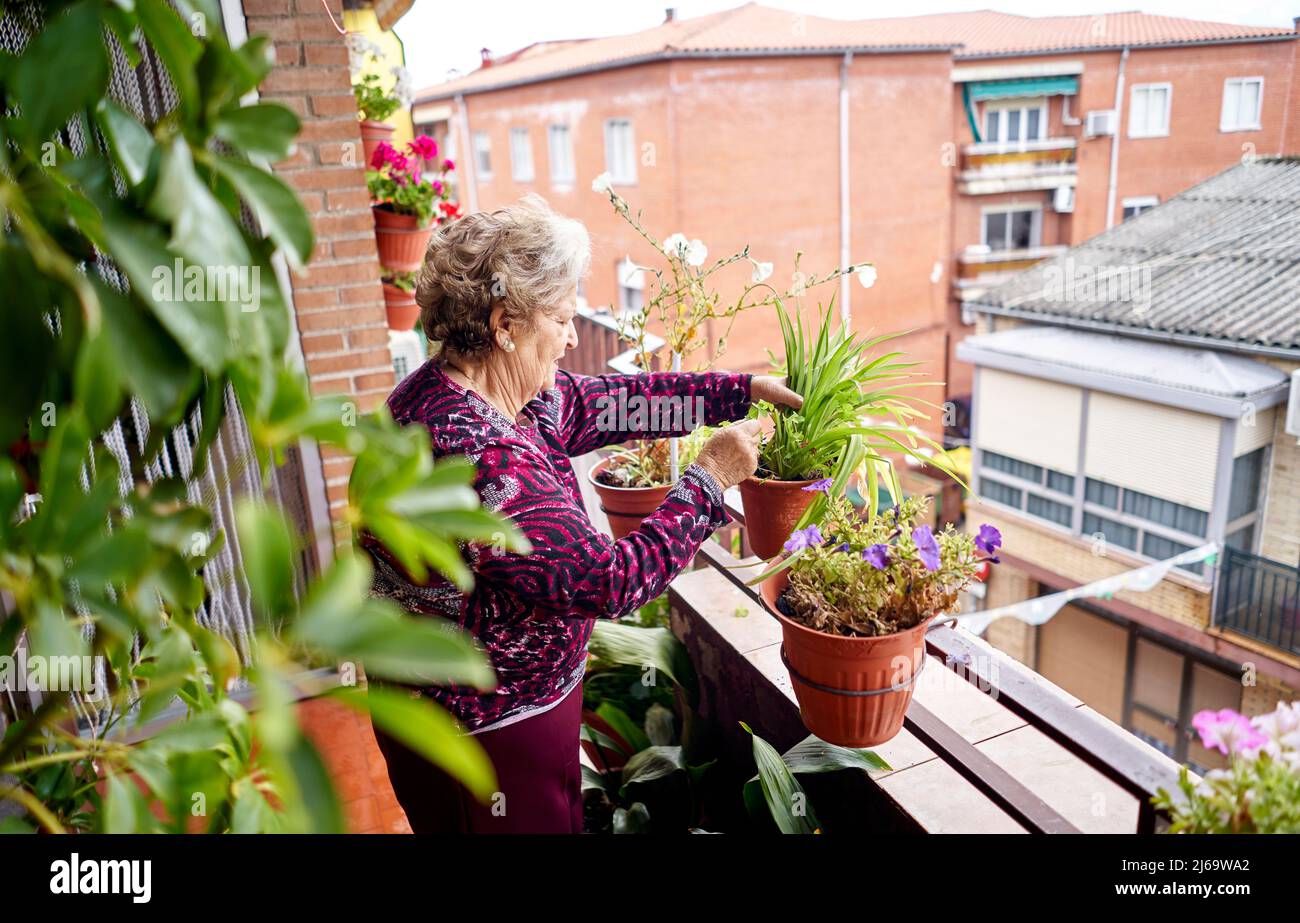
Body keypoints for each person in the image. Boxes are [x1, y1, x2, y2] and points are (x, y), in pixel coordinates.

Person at [363, 194, 801, 833]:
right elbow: (608, 580)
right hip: (478, 736)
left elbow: (609, 403)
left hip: (518, 712)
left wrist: (734, 393)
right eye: (562, 318)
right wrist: (709, 480)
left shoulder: (491, 389)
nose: (573, 337)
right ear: (504, 322)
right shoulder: (472, 453)